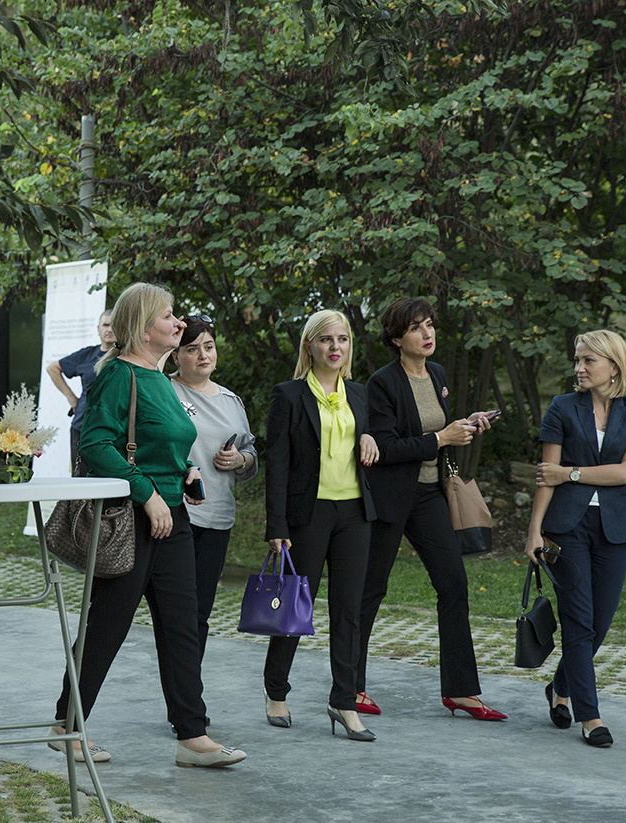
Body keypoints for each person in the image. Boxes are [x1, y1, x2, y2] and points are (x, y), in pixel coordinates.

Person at [50, 282, 246, 769]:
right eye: (168, 316)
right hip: (131, 518)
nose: (178, 323)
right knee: (107, 626)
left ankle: (192, 737)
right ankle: (66, 726)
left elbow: (163, 443)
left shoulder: (158, 378)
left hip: (173, 515)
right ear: (142, 327)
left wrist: (186, 471)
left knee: (182, 626)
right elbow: (96, 445)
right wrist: (147, 494)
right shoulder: (119, 375)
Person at [357, 297, 507, 721]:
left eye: (429, 325)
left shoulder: (437, 374)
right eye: (415, 328)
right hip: (390, 496)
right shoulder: (382, 382)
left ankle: (461, 691)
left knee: (453, 583)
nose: (427, 334)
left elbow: (433, 429)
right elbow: (384, 448)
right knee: (371, 589)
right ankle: (350, 685)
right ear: (396, 338)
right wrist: (442, 438)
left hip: (428, 496)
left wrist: (465, 424)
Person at [524, 329, 626, 748]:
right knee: (578, 621)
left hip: (615, 528)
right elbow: (546, 477)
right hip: (567, 528)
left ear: (613, 367)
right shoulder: (562, 408)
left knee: (600, 622)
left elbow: (625, 473)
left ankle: (560, 687)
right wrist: (534, 530)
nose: (578, 368)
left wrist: (571, 473)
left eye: (588, 361)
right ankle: (590, 716)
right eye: (577, 360)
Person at [262, 309, 381, 741]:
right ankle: (276, 690)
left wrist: (368, 436)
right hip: (307, 516)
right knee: (296, 607)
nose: (335, 347)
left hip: (354, 514)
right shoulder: (289, 395)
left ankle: (344, 701)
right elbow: (277, 463)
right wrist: (276, 524)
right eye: (326, 339)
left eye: (342, 339)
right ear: (309, 346)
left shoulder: (360, 394)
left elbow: (371, 436)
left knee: (348, 610)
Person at [165, 316, 258, 717]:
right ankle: (185, 708)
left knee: (199, 615)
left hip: (218, 517)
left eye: (209, 346)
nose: (203, 355)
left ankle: (187, 702)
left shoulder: (231, 401)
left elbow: (251, 454)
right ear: (176, 355)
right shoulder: (165, 390)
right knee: (178, 617)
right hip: (175, 515)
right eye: (192, 348)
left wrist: (239, 459)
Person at [46, 310, 115, 476]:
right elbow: (53, 368)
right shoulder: (87, 355)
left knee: (111, 480)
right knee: (81, 479)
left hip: (114, 429)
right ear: (98, 329)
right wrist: (72, 399)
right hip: (82, 427)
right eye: (106, 325)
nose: (109, 329)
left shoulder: (126, 356)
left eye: (114, 325)